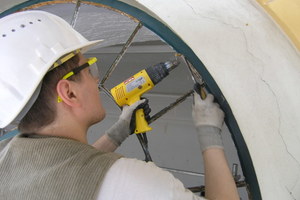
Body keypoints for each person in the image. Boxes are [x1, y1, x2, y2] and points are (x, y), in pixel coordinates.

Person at [0, 10, 239, 200]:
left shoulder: (6, 155)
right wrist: (209, 134)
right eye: (90, 68)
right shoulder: (132, 181)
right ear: (69, 92)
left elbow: (66, 175)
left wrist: (118, 132)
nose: (96, 80)